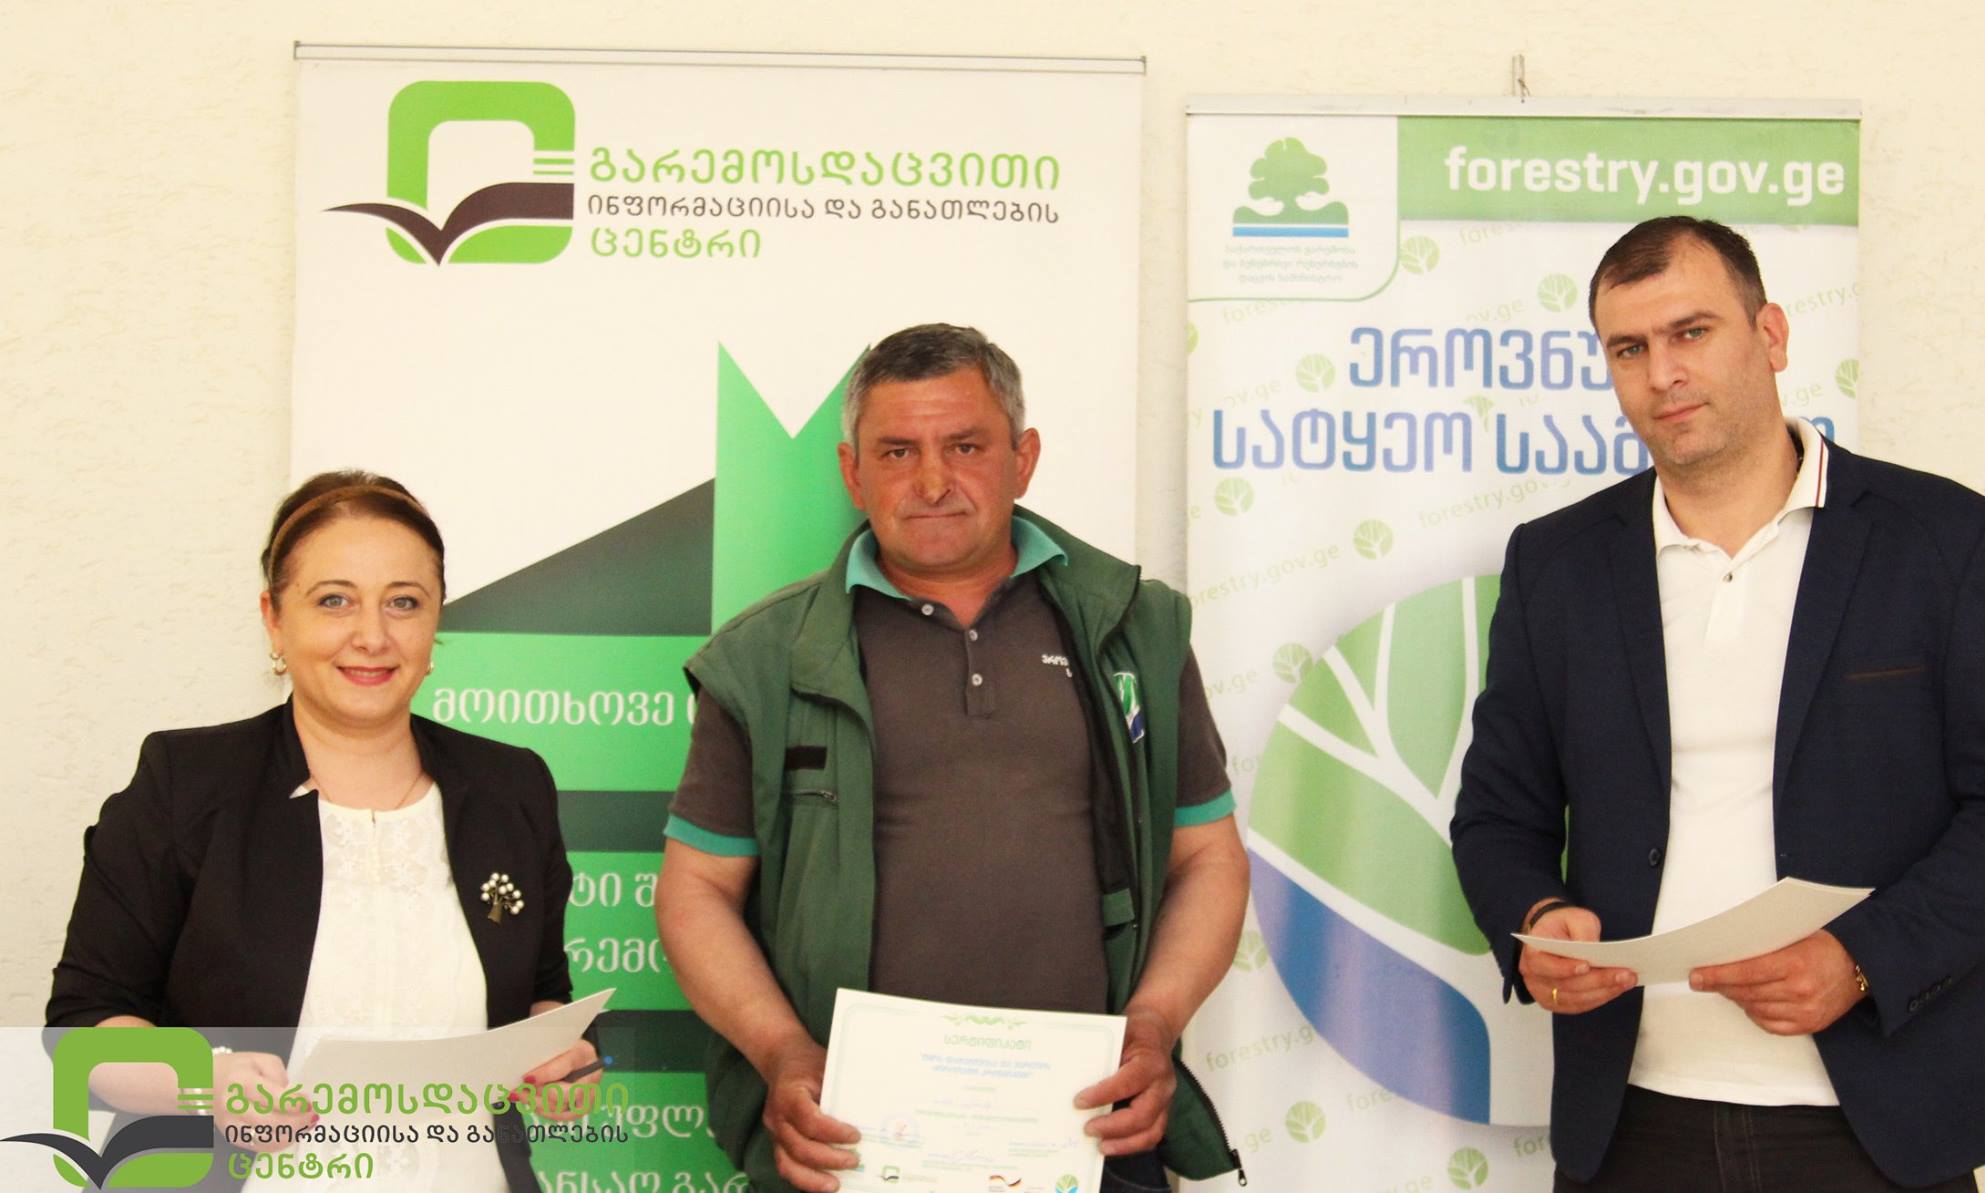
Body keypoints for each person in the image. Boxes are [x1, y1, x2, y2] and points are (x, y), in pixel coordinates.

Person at [1450, 216, 1985, 1191]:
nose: (1662, 374)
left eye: (1691, 332)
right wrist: (1537, 914)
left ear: (1770, 334)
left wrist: (1861, 958)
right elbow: (1496, 814)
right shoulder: (1556, 564)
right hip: (1629, 1123)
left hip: (1883, 1124)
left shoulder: (1946, 541)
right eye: (1628, 349)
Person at [654, 323, 1250, 1193]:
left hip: (1087, 1136)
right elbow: (696, 889)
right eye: (897, 452)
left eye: (965, 446)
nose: (932, 482)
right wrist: (781, 1051)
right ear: (853, 473)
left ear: (1023, 459)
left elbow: (1208, 859)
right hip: (851, 1145)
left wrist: (1153, 1025)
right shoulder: (765, 657)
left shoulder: (1132, 628)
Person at [47, 470, 601, 1192]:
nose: (372, 635)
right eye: (334, 600)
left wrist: (568, 1060)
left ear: (436, 619)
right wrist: (207, 1084)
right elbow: (83, 1027)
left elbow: (544, 995)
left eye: (404, 602)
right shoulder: (186, 782)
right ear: (275, 619)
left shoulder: (511, 787)